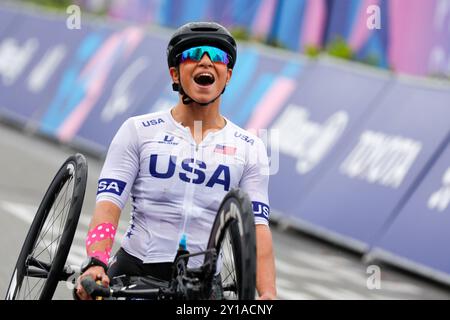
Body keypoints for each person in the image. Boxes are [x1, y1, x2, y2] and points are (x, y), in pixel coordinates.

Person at [75, 21, 276, 300]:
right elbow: (109, 203)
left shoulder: (249, 147)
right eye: (194, 55)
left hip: (202, 286)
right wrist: (96, 261)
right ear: (174, 73)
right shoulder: (138, 130)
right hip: (137, 271)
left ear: (228, 75)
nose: (206, 62)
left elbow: (256, 227)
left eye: (217, 57)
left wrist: (268, 293)